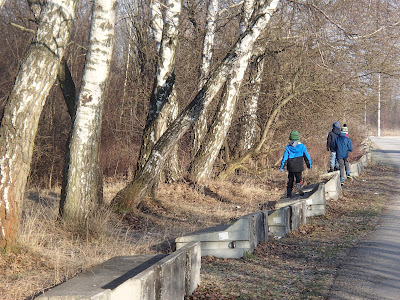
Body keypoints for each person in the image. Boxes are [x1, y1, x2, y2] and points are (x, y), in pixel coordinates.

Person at [280, 130, 312, 198]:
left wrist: (282, 167)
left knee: (290, 179)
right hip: (299, 166)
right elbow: (307, 157)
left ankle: (289, 193)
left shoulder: (288, 148)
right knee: (299, 178)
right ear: (298, 138)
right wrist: (309, 165)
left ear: (290, 138)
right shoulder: (302, 147)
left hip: (291, 166)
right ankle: (299, 187)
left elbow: (284, 158)